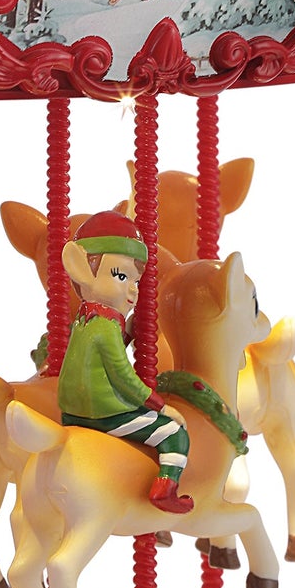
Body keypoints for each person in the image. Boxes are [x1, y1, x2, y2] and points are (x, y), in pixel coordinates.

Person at [56, 211, 194, 513]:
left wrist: (128, 334)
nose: (133, 289)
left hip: (71, 411)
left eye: (136, 280)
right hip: (103, 413)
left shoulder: (86, 320)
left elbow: (102, 358)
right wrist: (160, 406)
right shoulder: (106, 325)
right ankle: (165, 490)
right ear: (81, 270)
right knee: (175, 434)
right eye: (121, 276)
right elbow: (122, 377)